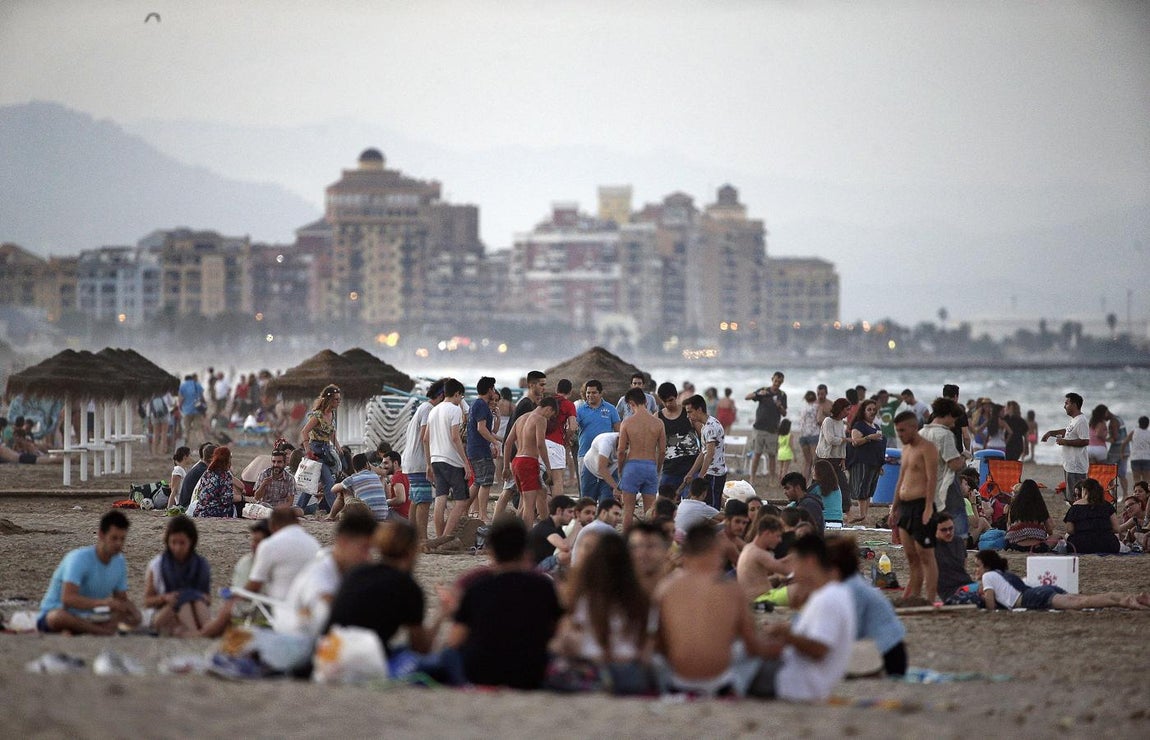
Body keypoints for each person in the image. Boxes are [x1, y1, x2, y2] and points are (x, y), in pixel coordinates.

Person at [656, 523, 777, 697]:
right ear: (716, 552)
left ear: (686, 554)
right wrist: (782, 645)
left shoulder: (665, 589)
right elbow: (752, 646)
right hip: (720, 685)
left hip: (678, 684)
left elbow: (660, 645)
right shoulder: (732, 590)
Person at [447, 516, 563, 689]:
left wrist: (447, 612)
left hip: (480, 671)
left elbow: (455, 641)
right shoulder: (543, 586)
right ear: (526, 549)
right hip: (531, 672)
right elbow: (557, 631)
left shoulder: (476, 587)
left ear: (491, 550)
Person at [326, 518, 447, 659]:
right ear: (412, 551)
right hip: (362, 660)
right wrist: (443, 613)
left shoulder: (357, 572)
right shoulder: (407, 587)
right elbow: (420, 648)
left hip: (328, 652)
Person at [551, 531, 655, 694]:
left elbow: (566, 639)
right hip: (629, 671)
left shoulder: (583, 594)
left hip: (592, 668)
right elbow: (646, 645)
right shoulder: (640, 596)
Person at [38, 510, 142, 634]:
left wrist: (133, 612)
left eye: (122, 539)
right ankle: (100, 631)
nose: (118, 544)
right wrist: (103, 603)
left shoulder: (119, 561)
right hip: (61, 612)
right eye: (114, 538)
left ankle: (82, 630)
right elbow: (68, 599)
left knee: (132, 616)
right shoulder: (79, 558)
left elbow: (121, 599)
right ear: (101, 535)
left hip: (91, 615)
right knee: (57, 617)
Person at [279, 510, 377, 638]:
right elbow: (324, 608)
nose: (368, 557)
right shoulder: (319, 575)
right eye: (364, 549)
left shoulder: (338, 565)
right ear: (343, 541)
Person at [826, 537, 907, 676]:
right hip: (890, 650)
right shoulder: (854, 583)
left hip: (888, 658)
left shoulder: (852, 589)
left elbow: (851, 631)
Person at [975, 550, 1150, 612]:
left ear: (986, 566)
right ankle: (1132, 597)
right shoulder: (1004, 575)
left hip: (1033, 598)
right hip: (1042, 591)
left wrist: (981, 598)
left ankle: (1127, 601)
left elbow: (990, 606)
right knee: (1082, 599)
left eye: (978, 566)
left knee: (1083, 602)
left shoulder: (988, 576)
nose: (976, 570)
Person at [888, 411, 940, 604]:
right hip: (905, 507)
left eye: (902, 430)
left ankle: (931, 598)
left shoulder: (927, 448)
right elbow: (901, 478)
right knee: (911, 557)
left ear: (912, 427)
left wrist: (928, 507)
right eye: (897, 431)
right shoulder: (906, 449)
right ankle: (916, 598)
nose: (899, 434)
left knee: (926, 555)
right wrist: (894, 507)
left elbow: (931, 479)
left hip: (921, 506)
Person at [143, 515, 212, 637]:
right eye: (173, 542)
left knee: (193, 600)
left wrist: (196, 596)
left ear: (191, 542)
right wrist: (164, 598)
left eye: (182, 543)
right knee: (181, 601)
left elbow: (207, 599)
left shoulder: (201, 565)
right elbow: (148, 601)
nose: (177, 548)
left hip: (195, 609)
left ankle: (197, 632)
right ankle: (199, 633)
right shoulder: (157, 565)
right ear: (167, 541)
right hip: (165, 612)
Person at [425, 378, 474, 539]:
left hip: (436, 458)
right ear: (457, 394)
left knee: (440, 498)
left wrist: (428, 463)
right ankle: (446, 536)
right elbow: (455, 437)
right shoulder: (454, 409)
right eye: (461, 397)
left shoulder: (434, 411)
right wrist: (466, 463)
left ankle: (439, 537)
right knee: (461, 501)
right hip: (451, 460)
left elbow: (425, 439)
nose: (461, 401)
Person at [244, 507, 321, 603]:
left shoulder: (270, 545)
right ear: (298, 523)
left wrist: (236, 595)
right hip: (310, 603)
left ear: (272, 525)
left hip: (281, 605)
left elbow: (255, 585)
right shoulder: (313, 543)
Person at [402, 378, 446, 541]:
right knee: (424, 501)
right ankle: (422, 538)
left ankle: (411, 537)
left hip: (412, 460)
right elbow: (425, 437)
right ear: (441, 396)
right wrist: (430, 463)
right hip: (420, 461)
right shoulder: (428, 409)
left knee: (415, 499)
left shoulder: (423, 408)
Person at [617, 387, 667, 530]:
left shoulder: (627, 423)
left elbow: (621, 451)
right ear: (645, 401)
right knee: (650, 512)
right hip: (650, 466)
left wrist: (621, 470)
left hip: (632, 466)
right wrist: (657, 469)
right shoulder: (658, 423)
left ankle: (626, 545)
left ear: (630, 403)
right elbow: (662, 451)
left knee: (628, 512)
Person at [504, 395, 557, 528]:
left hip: (517, 461)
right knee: (529, 504)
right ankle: (525, 538)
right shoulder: (540, 419)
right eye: (551, 415)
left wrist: (506, 466)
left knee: (538, 495)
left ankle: (547, 528)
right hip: (528, 462)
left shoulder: (521, 418)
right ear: (549, 409)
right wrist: (549, 468)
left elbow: (508, 443)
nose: (549, 418)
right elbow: (540, 444)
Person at [298, 384, 342, 512]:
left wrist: (338, 448)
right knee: (329, 483)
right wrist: (308, 450)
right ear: (329, 400)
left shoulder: (332, 414)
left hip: (327, 449)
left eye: (339, 399)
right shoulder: (317, 415)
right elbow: (304, 432)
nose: (339, 402)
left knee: (311, 483)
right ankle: (336, 511)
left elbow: (332, 433)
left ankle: (298, 507)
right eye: (336, 399)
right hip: (316, 449)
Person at [1042, 392, 1090, 504]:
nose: (1064, 406)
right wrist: (1050, 433)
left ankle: (1076, 519)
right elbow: (1067, 431)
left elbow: (1085, 441)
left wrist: (1065, 442)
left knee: (1076, 497)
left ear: (1074, 404)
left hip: (1076, 466)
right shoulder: (1075, 420)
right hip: (1070, 464)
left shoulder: (1082, 420)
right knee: (1071, 496)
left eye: (1067, 403)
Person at [680, 394, 727, 508]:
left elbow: (710, 454)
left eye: (690, 412)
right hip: (709, 473)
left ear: (699, 409)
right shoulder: (706, 425)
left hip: (715, 474)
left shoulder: (710, 428)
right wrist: (691, 473)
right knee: (707, 504)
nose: (688, 416)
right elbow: (703, 453)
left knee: (712, 507)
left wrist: (701, 476)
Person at [466, 376, 501, 521]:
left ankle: (463, 509)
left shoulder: (478, 404)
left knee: (479, 481)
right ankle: (482, 514)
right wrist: (494, 442)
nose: (494, 392)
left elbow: (488, 429)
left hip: (475, 448)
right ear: (489, 390)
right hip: (479, 449)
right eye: (493, 389)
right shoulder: (480, 404)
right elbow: (481, 428)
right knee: (486, 481)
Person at [845, 398, 885, 525]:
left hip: (874, 462)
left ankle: (864, 515)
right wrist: (869, 437)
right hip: (861, 461)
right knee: (862, 489)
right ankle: (862, 515)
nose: (872, 412)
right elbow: (855, 441)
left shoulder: (876, 427)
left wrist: (880, 464)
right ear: (863, 411)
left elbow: (880, 447)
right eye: (869, 409)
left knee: (869, 490)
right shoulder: (858, 425)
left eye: (874, 410)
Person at [746, 372, 787, 486]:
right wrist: (758, 393)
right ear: (772, 379)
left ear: (782, 382)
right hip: (759, 428)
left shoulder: (782, 395)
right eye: (776, 381)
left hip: (773, 430)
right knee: (757, 454)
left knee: (772, 456)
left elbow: (784, 413)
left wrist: (780, 407)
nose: (777, 383)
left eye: (779, 382)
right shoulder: (764, 390)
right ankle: (752, 478)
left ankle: (771, 480)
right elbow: (747, 397)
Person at [735, 514, 788, 602]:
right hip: (761, 600)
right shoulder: (759, 554)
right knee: (800, 589)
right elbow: (786, 569)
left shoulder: (749, 548)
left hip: (759, 597)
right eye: (777, 536)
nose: (780, 540)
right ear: (767, 533)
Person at [576, 379, 620, 484]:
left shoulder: (611, 409)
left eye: (594, 392)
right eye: (588, 392)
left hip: (605, 456)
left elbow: (619, 431)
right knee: (586, 490)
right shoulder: (580, 410)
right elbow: (573, 427)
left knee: (607, 488)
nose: (590, 395)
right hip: (584, 454)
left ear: (601, 393)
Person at [933, 512, 980, 605]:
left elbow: (963, 566)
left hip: (967, 585)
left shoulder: (958, 541)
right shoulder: (931, 547)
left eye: (951, 528)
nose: (948, 532)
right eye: (943, 530)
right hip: (951, 591)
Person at [1065, 478, 1121, 554]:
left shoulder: (1076, 507)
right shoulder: (1107, 505)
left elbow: (1070, 530)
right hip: (1107, 544)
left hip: (1082, 545)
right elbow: (1117, 528)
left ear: (1085, 490)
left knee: (1067, 537)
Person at [328, 452, 389, 521]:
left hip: (366, 514)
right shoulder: (375, 476)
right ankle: (332, 516)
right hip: (383, 515)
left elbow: (333, 490)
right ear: (367, 464)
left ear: (354, 467)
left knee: (344, 490)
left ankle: (331, 516)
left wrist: (343, 484)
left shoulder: (353, 478)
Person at [544, 378, 578, 499]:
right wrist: (566, 439)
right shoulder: (569, 405)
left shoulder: (547, 401)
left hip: (540, 443)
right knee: (557, 480)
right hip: (556, 443)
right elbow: (573, 427)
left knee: (544, 481)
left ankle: (543, 512)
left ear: (556, 389)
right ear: (570, 392)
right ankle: (557, 511)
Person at [815, 398, 850, 511]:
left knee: (843, 485)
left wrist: (843, 457)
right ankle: (813, 505)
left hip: (836, 458)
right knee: (818, 484)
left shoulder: (840, 423)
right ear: (840, 409)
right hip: (824, 457)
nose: (847, 413)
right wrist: (846, 439)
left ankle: (845, 510)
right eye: (846, 410)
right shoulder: (828, 421)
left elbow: (841, 443)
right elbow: (830, 440)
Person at [1005, 479, 1058, 551]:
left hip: (1016, 545)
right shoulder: (1040, 506)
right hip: (1036, 547)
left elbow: (1009, 526)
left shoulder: (1014, 506)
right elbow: (1049, 528)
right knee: (1056, 537)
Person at [191, 446, 244, 518]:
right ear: (227, 460)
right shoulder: (224, 475)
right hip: (214, 512)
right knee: (241, 506)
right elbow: (226, 500)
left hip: (200, 511)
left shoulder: (207, 473)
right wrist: (243, 498)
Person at [530, 494, 576, 572]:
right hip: (532, 568)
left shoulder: (558, 528)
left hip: (542, 564)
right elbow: (565, 546)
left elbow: (570, 547)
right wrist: (577, 527)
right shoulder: (545, 526)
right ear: (559, 511)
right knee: (565, 556)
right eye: (570, 512)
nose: (572, 516)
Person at [571, 498, 623, 566]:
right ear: (604, 513)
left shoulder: (591, 526)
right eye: (615, 514)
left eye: (619, 515)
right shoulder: (605, 529)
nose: (618, 518)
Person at [627, 520, 672, 597]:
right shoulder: (617, 598)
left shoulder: (677, 592)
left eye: (650, 546)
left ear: (666, 551)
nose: (642, 553)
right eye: (635, 547)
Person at [579, 430, 620, 505]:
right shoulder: (606, 442)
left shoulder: (631, 444)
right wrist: (616, 487)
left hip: (611, 471)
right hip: (590, 469)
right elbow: (601, 468)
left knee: (607, 504)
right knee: (588, 503)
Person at [782, 471, 825, 535]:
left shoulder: (809, 504)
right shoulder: (801, 503)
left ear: (797, 488)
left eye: (787, 488)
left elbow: (812, 530)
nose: (784, 492)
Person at [178, 442, 216, 509]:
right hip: (188, 506)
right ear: (212, 458)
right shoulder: (203, 471)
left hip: (186, 504)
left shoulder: (200, 467)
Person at [810, 459, 843, 524]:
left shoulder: (816, 487)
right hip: (839, 521)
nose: (812, 472)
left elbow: (802, 498)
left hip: (823, 521)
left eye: (814, 470)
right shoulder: (837, 487)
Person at [178, 373, 206, 448]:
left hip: (187, 410)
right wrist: (204, 407)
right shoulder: (197, 385)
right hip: (197, 410)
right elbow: (202, 397)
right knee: (198, 428)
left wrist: (180, 407)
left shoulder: (182, 386)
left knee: (187, 428)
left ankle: (185, 443)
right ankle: (202, 442)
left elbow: (181, 399)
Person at [382, 450, 411, 521]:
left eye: (386, 463)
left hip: (402, 515)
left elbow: (401, 499)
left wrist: (386, 502)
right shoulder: (406, 474)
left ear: (395, 463)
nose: (383, 466)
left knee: (377, 516)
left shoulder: (396, 477)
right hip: (410, 516)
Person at [797, 390, 820, 480]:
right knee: (815, 461)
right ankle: (815, 481)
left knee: (807, 462)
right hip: (814, 434)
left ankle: (804, 482)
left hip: (803, 435)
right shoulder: (818, 407)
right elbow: (819, 420)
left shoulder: (803, 408)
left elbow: (801, 422)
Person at [1128, 416, 1150, 486]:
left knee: (1136, 480)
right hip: (1147, 458)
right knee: (1146, 480)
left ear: (1139, 423)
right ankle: (1146, 496)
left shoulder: (1134, 432)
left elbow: (1124, 442)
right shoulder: (1148, 433)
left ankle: (1136, 495)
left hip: (1135, 458)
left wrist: (1122, 453)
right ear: (1148, 424)